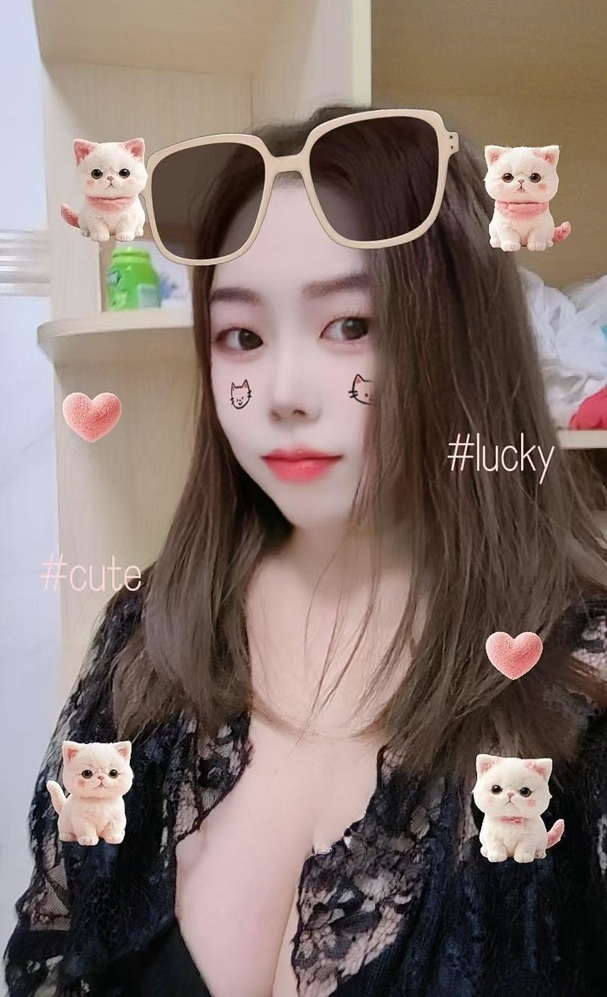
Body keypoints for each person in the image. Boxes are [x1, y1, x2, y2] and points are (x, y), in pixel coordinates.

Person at [4, 102, 607, 997]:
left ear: (462, 339)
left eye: (350, 325)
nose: (284, 390)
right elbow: (55, 952)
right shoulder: (150, 633)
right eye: (242, 337)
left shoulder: (578, 681)